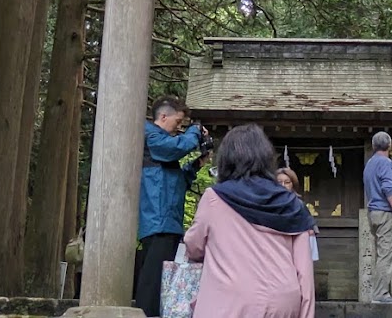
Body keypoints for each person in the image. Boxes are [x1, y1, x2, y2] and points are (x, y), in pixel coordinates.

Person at [183, 124, 316, 318]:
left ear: (226, 160)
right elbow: (304, 271)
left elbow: (194, 246)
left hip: (228, 299)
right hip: (283, 300)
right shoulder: (291, 204)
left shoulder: (215, 198)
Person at [134, 96, 205, 316]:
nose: (179, 128)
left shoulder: (161, 144)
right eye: (178, 122)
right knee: (152, 279)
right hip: (157, 222)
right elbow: (173, 149)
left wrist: (195, 165)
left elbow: (175, 181)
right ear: (163, 116)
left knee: (161, 278)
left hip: (168, 221)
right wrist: (195, 131)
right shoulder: (151, 136)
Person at [363, 130, 392, 304]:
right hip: (386, 212)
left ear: (373, 146)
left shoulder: (370, 163)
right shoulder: (386, 163)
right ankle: (381, 294)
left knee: (380, 254)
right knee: (386, 255)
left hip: (373, 212)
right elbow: (388, 187)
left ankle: (379, 292)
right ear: (390, 145)